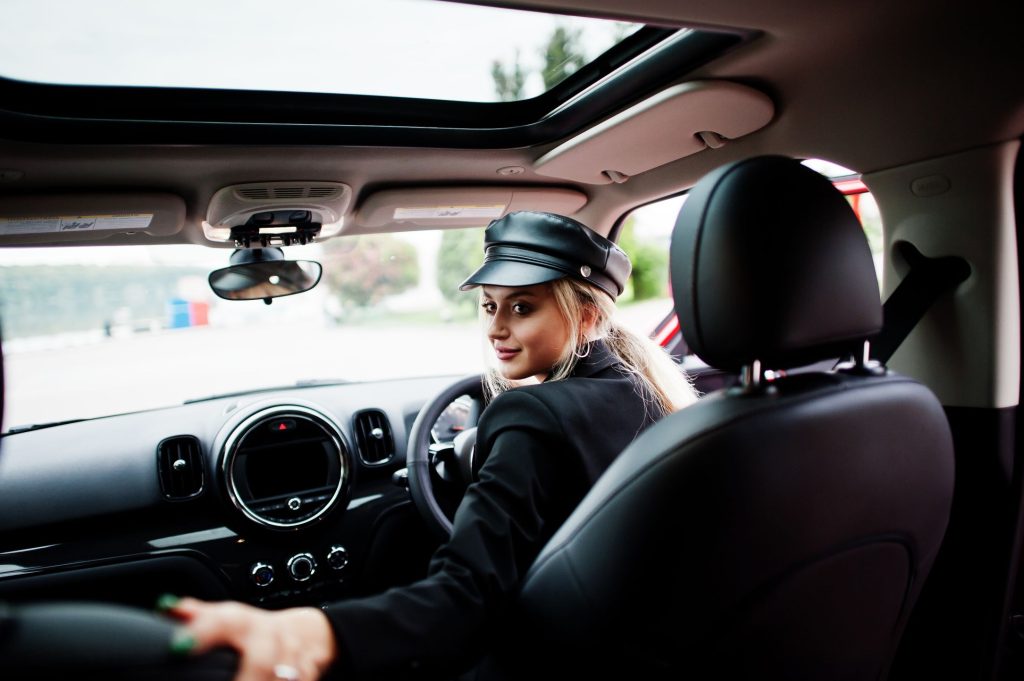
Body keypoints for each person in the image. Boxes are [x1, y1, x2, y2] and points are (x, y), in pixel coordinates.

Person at [162, 211, 698, 680]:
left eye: (521, 308)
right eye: (489, 306)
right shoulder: (654, 392)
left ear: (585, 315)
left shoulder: (530, 414)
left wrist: (305, 634)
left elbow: (465, 597)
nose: (496, 329)